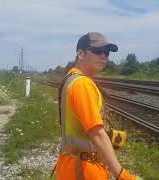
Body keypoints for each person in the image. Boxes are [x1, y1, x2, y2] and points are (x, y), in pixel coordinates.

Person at [54, 32, 141, 180]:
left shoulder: (71, 78)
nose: (103, 56)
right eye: (97, 51)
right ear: (80, 54)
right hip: (83, 170)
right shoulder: (82, 84)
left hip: (70, 164)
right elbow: (97, 134)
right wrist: (121, 175)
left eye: (106, 52)